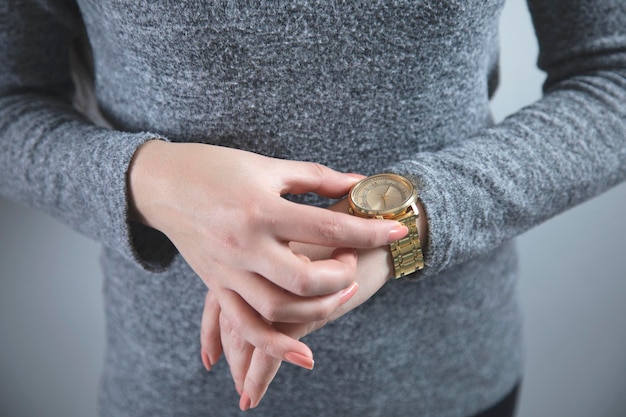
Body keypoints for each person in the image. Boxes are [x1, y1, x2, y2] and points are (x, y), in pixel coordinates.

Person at [1, 1, 624, 416]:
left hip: (443, 381)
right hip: (175, 390)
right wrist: (149, 180)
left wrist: (401, 221)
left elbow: (612, 77)